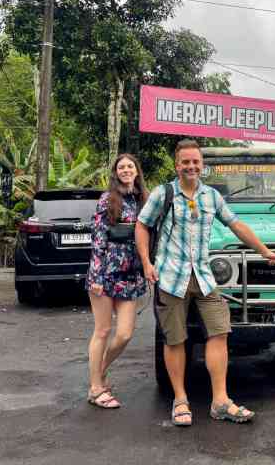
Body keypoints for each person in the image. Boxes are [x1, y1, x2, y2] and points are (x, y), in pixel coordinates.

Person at [136, 139, 275, 426]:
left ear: (202, 165)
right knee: (175, 339)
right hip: (170, 277)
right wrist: (146, 263)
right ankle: (180, 400)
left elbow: (235, 224)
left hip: (203, 277)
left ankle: (220, 401)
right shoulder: (163, 193)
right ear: (177, 165)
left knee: (220, 331)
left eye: (196, 162)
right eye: (185, 162)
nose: (191, 166)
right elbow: (142, 225)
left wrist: (264, 251)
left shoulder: (211, 196)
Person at [85, 153, 149, 409]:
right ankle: (96, 388)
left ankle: (98, 371)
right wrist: (98, 275)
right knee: (102, 331)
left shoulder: (144, 199)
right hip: (105, 273)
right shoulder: (107, 199)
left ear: (136, 171)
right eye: (121, 167)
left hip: (131, 275)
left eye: (129, 166)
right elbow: (99, 238)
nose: (125, 170)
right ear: (116, 172)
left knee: (124, 334)